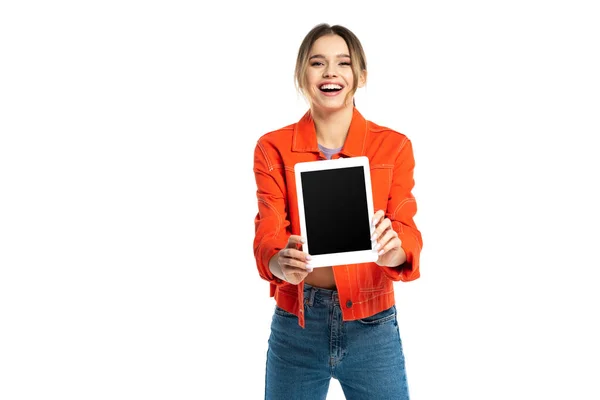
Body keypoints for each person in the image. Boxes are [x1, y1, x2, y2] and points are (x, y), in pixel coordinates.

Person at [252, 23, 423, 400]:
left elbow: (406, 226)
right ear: (302, 75)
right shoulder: (272, 148)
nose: (330, 72)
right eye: (317, 62)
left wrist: (396, 251)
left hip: (373, 324)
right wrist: (280, 261)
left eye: (343, 63)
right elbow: (267, 232)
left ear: (360, 75)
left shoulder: (393, 147)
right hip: (297, 323)